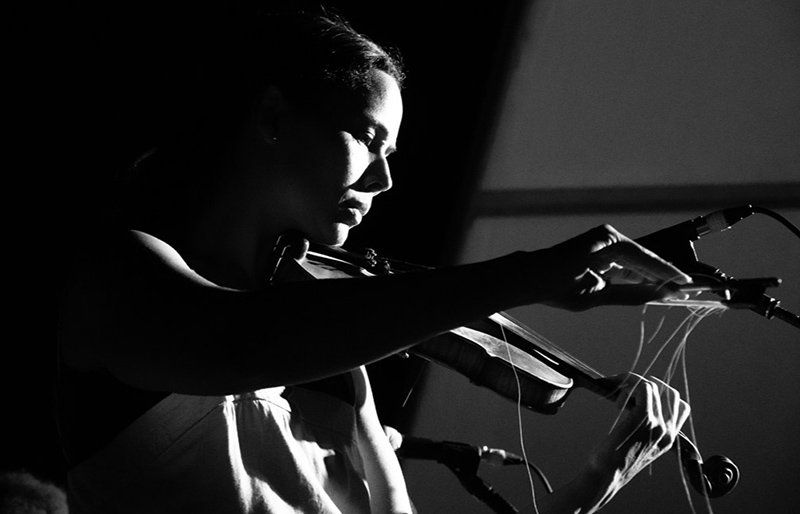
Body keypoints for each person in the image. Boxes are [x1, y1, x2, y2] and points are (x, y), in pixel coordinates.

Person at [57, 10, 693, 514]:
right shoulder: (116, 272)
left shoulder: (336, 368)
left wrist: (595, 480)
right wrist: (523, 274)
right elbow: (231, 339)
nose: (385, 180)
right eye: (368, 139)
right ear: (274, 116)